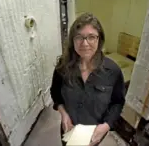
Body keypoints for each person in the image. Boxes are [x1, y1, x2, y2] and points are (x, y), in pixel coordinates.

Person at [50, 13, 125, 146]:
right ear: (72, 40)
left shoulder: (113, 71)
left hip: (94, 133)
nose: (85, 43)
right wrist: (63, 114)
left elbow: (117, 103)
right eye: (79, 37)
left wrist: (106, 126)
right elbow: (55, 93)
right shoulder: (63, 66)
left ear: (99, 40)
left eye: (91, 37)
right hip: (69, 130)